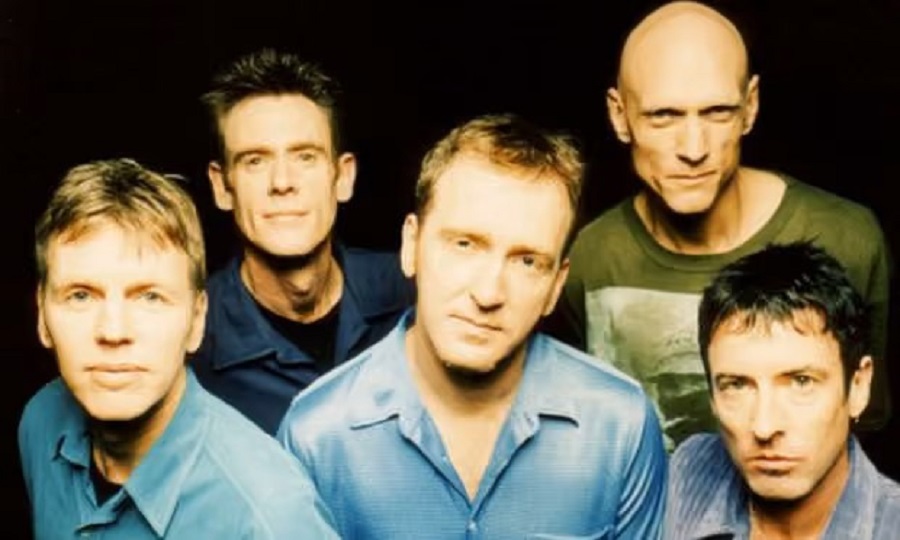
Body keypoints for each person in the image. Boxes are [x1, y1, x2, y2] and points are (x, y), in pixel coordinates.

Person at [278, 114, 667, 539]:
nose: (488, 293)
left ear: (556, 286)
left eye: (527, 261)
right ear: (411, 246)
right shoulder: (317, 435)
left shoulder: (619, 426)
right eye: (464, 245)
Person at [549, 0, 891, 450]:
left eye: (717, 112)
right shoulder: (589, 257)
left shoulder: (845, 239)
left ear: (750, 106)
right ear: (619, 116)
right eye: (663, 116)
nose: (694, 148)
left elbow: (867, 436)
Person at [19, 159, 339, 539]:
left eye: (150, 297)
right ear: (42, 316)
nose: (113, 331)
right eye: (81, 296)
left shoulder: (270, 518)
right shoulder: (41, 423)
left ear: (197, 320)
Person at [193, 48, 415, 434]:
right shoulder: (190, 339)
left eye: (305, 157)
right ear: (222, 186)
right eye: (255, 161)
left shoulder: (414, 292)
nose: (282, 182)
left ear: (343, 177)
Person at [665, 241, 900, 539]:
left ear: (858, 386)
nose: (764, 427)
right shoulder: (689, 468)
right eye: (736, 385)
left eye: (801, 381)